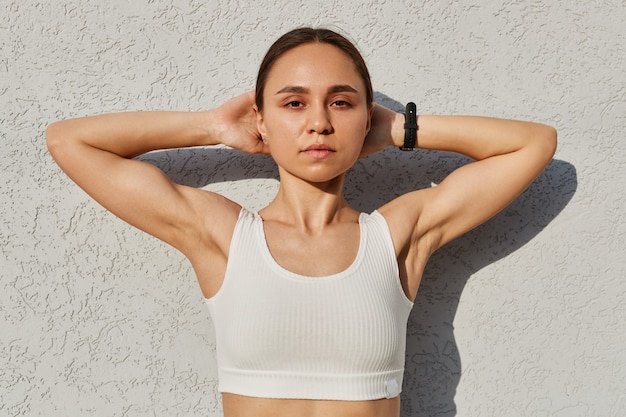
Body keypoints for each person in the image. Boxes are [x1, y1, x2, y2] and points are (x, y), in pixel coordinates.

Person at [46, 27, 557, 417]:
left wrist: (400, 127)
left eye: (342, 102)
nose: (319, 121)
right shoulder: (224, 236)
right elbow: (70, 141)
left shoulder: (397, 236)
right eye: (294, 103)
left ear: (366, 118)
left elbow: (534, 143)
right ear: (261, 121)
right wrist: (211, 126)